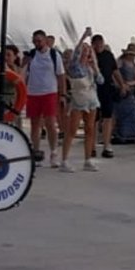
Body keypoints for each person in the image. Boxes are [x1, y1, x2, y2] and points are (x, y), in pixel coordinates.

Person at [24, 31, 66, 168]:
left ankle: (54, 153)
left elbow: (61, 75)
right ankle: (36, 153)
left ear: (45, 41)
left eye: (39, 41)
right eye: (35, 41)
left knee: (50, 123)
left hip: (49, 92)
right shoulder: (31, 55)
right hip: (33, 93)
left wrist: (63, 94)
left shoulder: (54, 55)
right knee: (35, 124)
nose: (37, 44)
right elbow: (23, 73)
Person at [61, 41, 101, 172]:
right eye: (84, 52)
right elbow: (75, 56)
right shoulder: (75, 67)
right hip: (79, 100)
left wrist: (95, 67)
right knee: (72, 130)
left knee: (90, 129)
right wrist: (84, 36)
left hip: (91, 100)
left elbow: (101, 80)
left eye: (88, 52)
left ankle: (87, 159)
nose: (86, 54)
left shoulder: (89, 68)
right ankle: (65, 160)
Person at [92, 34, 120, 159]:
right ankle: (92, 145)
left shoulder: (108, 56)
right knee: (93, 119)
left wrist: (122, 84)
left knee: (107, 117)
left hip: (107, 89)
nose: (98, 46)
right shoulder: (90, 56)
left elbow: (115, 71)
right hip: (93, 90)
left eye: (100, 44)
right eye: (96, 44)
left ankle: (106, 145)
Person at [116, 43, 135, 144]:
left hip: (130, 89)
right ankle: (121, 135)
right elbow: (115, 73)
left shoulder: (134, 65)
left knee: (132, 112)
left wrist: (129, 83)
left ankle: (132, 135)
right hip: (121, 88)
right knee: (121, 113)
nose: (133, 57)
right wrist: (121, 84)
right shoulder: (121, 62)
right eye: (131, 55)